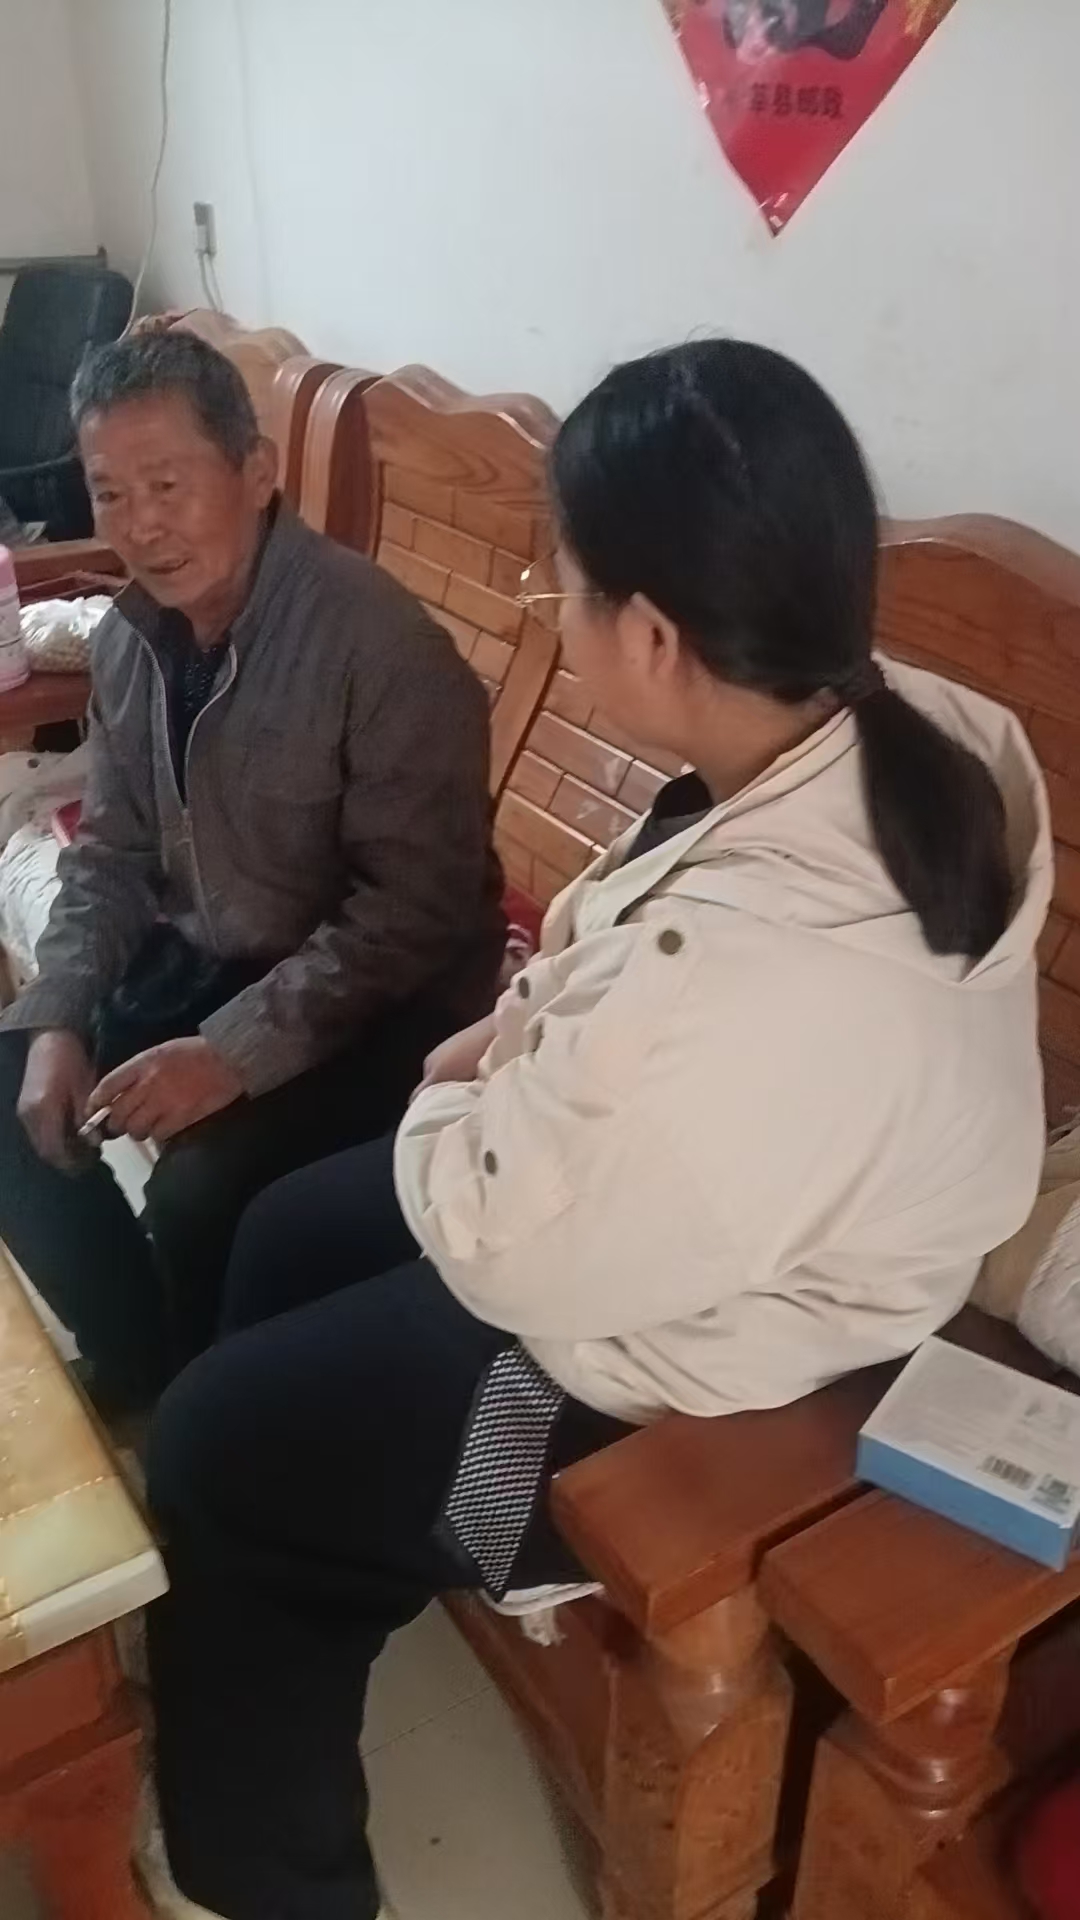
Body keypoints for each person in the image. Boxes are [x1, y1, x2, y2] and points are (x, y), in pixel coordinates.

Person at [144, 340, 1050, 1920]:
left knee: (218, 1444)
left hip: (677, 1362)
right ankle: (323, 1590)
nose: (540, 605)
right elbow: (630, 980)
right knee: (283, 1228)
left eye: (556, 582)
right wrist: (522, 1035)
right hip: (702, 1204)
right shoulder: (908, 725)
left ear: (652, 633)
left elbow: (510, 1252)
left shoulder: (754, 981)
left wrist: (460, 1071)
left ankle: (273, 1873)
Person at [0, 330, 504, 1412]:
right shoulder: (131, 639)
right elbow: (115, 852)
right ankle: (154, 1371)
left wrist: (231, 1055)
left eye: (167, 484)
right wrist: (60, 1013)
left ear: (256, 470)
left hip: (387, 1006)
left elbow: (412, 918)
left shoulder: (382, 649)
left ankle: (211, 1408)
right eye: (110, 493)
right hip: (219, 955)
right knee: (12, 1090)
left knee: (203, 1190)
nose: (140, 524)